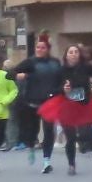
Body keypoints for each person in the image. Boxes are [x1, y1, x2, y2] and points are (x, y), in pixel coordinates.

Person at [38, 43, 92, 176]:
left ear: (79, 55)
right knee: (70, 137)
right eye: (71, 52)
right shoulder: (61, 70)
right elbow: (53, 89)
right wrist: (63, 90)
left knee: (85, 132)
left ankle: (87, 144)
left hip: (83, 103)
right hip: (67, 105)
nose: (73, 55)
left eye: (76, 52)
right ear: (66, 56)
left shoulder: (86, 67)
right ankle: (71, 164)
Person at [11, 35, 64, 172]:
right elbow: (9, 74)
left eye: (43, 47)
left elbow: (61, 79)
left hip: (50, 101)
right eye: (38, 47)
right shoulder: (30, 62)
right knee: (32, 131)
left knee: (48, 131)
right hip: (32, 100)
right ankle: (31, 146)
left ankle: (47, 161)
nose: (40, 49)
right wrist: (19, 75)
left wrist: (59, 91)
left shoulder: (55, 62)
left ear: (48, 49)